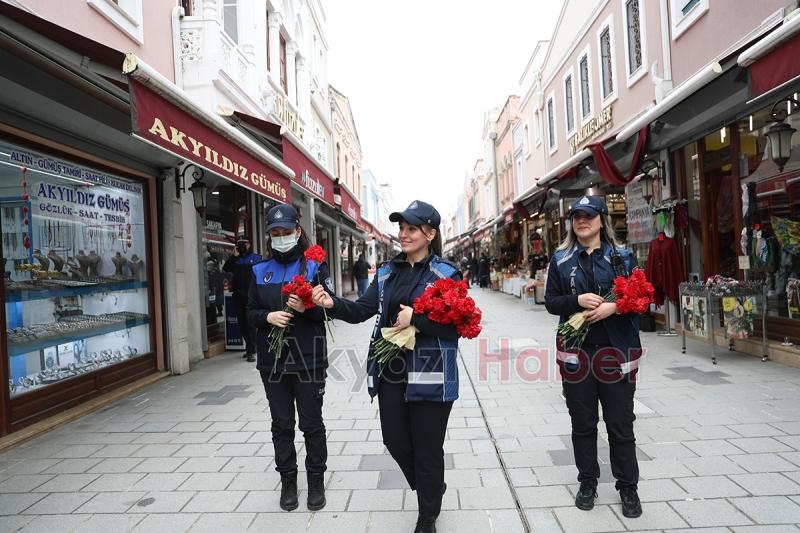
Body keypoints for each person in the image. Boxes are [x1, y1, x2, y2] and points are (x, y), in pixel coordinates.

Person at [312, 200, 460, 533]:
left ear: (430, 234)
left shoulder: (446, 274)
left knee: (427, 448)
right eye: (401, 228)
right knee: (395, 441)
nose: (404, 234)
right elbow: (361, 311)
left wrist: (416, 319)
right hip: (390, 368)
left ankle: (427, 515)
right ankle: (432, 486)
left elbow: (455, 329)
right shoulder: (386, 272)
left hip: (432, 371)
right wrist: (332, 303)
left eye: (412, 229)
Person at [544, 195, 643, 519]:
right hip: (577, 356)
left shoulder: (622, 256)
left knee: (620, 423)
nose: (581, 221)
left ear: (602, 219)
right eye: (576, 216)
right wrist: (576, 300)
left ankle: (628, 487)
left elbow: (640, 297)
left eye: (588, 215)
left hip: (616, 354)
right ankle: (587, 482)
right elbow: (551, 302)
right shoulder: (561, 260)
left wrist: (613, 307)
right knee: (583, 423)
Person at [246, 204, 334, 512]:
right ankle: (288, 481)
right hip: (272, 362)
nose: (281, 237)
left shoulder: (314, 266)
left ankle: (316, 480)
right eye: (276, 233)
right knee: (281, 424)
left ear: (298, 231)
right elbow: (250, 312)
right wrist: (267, 317)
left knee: (311, 423)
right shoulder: (259, 270)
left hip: (309, 358)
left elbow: (329, 311)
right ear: (269, 236)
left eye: (286, 231)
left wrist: (306, 308)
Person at [223, 237, 262, 362]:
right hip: (238, 297)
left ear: (249, 244)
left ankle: (251, 350)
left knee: (250, 324)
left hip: (251, 296)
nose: (241, 246)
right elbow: (226, 268)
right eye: (239, 244)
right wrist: (233, 256)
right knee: (242, 324)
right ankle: (251, 348)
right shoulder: (236, 259)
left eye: (243, 244)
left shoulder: (256, 258)